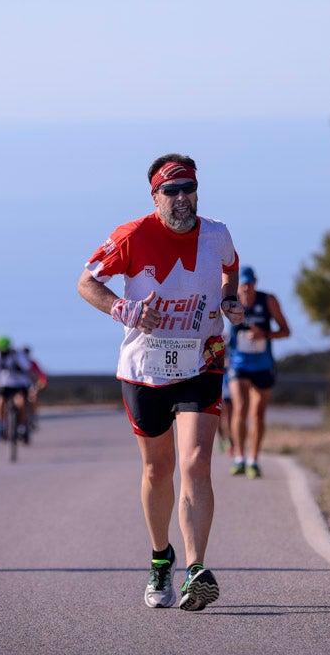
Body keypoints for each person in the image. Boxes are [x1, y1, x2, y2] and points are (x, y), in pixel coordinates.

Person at [77, 153, 243, 612]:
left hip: (202, 358)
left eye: (188, 188)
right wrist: (123, 308)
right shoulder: (132, 235)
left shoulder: (217, 235)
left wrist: (229, 300)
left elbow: (231, 267)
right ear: (155, 197)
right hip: (145, 367)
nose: (181, 198)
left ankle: (196, 569)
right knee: (158, 470)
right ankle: (160, 557)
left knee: (196, 463)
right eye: (170, 191)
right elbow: (87, 282)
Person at [227, 265, 290, 479]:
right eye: (242, 286)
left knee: (257, 414)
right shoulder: (230, 300)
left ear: (255, 283)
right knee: (240, 408)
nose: (245, 290)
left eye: (249, 285)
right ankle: (238, 457)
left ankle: (253, 459)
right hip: (239, 364)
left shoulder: (268, 300)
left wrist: (265, 334)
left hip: (263, 364)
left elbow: (286, 331)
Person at [0, 336, 37, 443]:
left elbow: (29, 371)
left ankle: (22, 428)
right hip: (5, 384)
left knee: (21, 402)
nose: (2, 352)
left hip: (20, 384)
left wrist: (33, 386)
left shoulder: (18, 355)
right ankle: (2, 426)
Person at [21, 345, 49, 430]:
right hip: (17, 386)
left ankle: (33, 417)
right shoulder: (14, 362)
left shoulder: (33, 364)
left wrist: (39, 386)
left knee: (33, 398)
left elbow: (41, 376)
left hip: (30, 386)